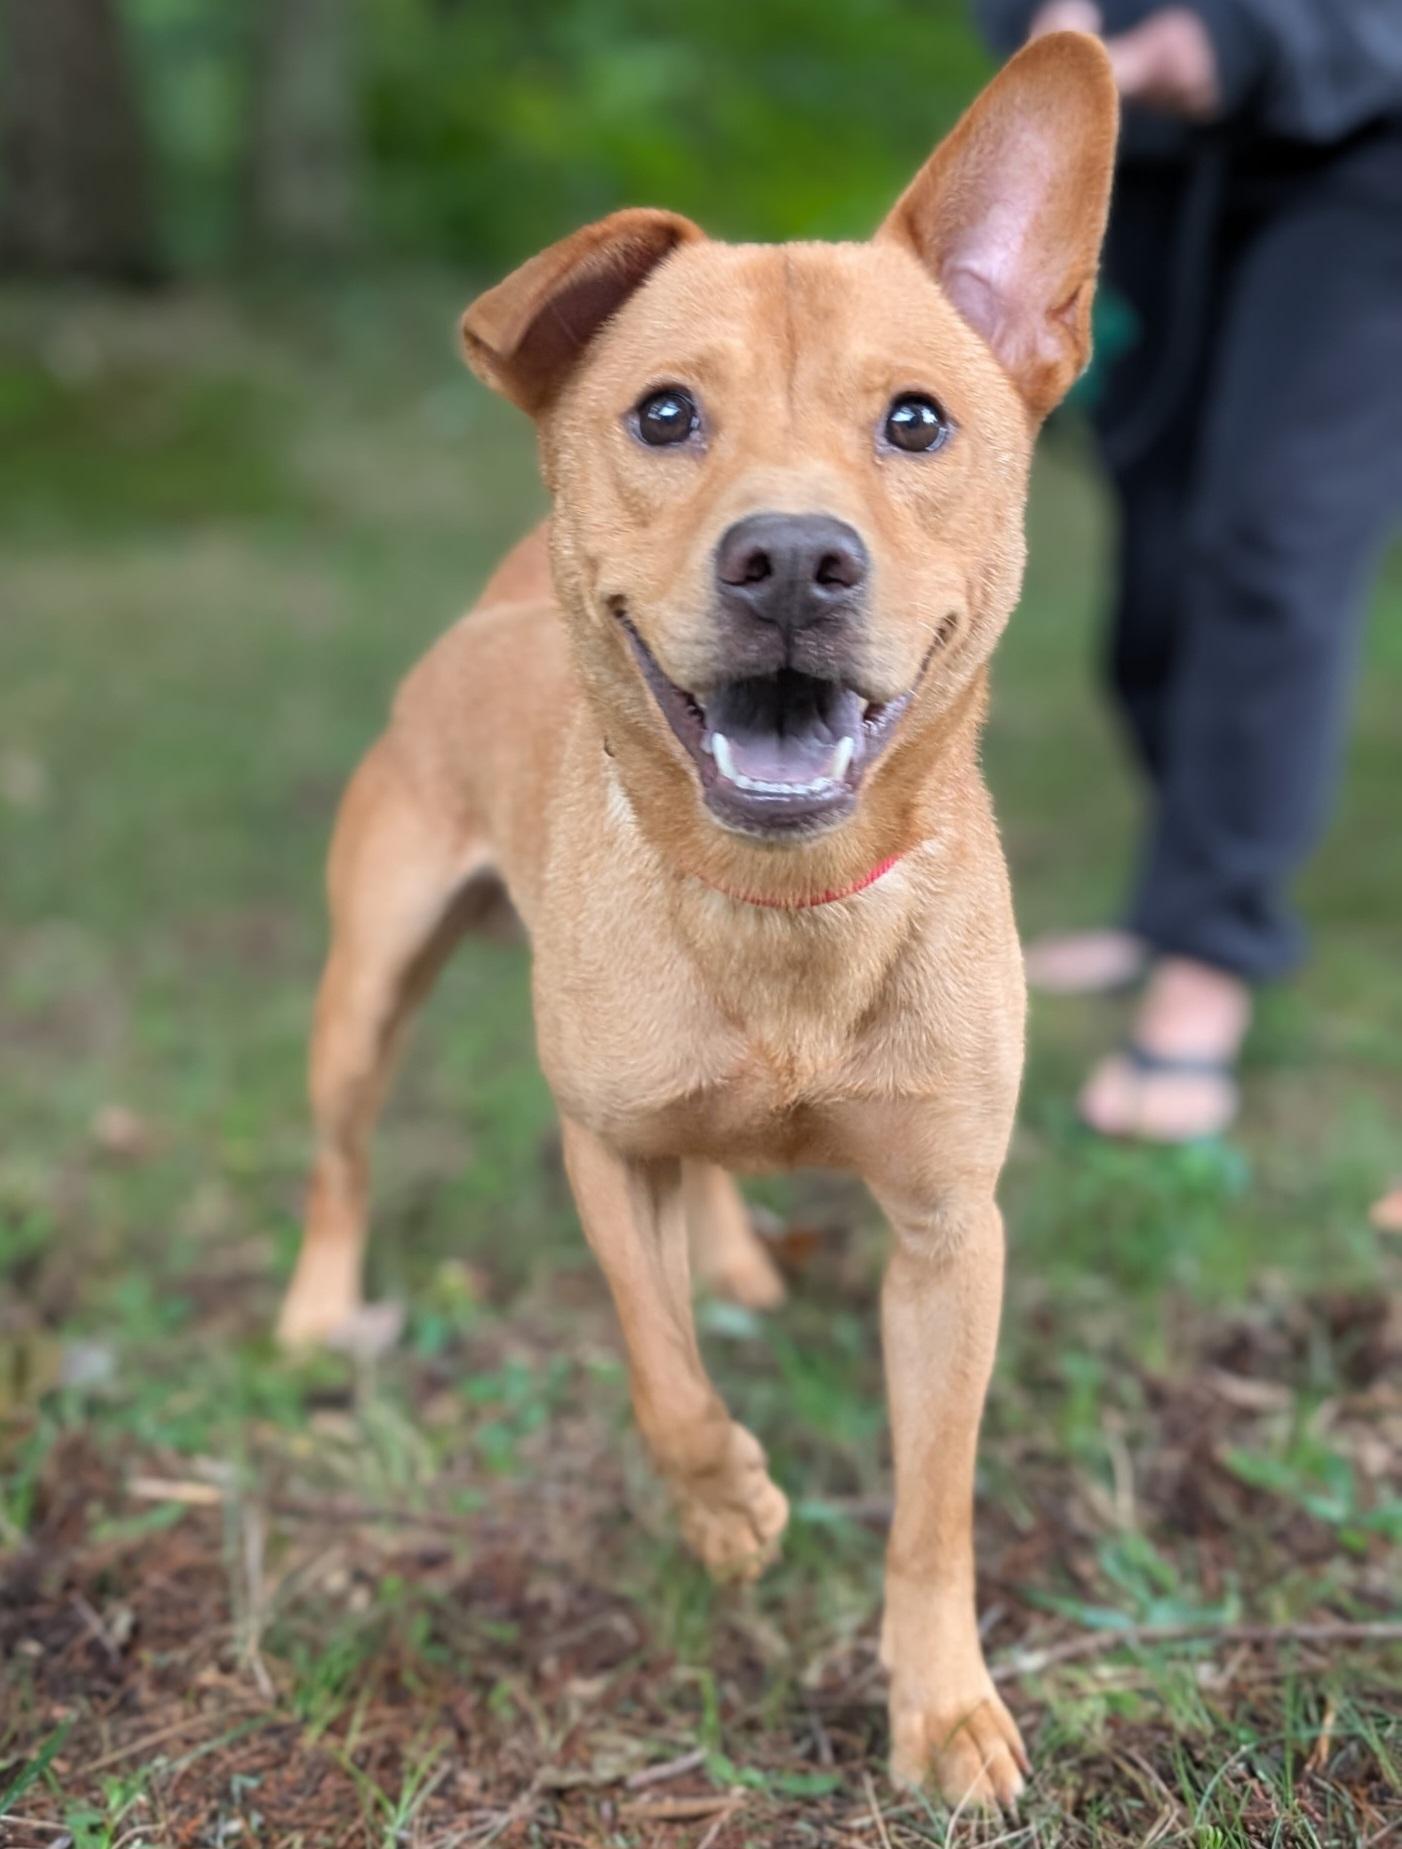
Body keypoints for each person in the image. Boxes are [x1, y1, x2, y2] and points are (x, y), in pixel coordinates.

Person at [971, 1, 1402, 1141]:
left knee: (1271, 539)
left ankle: (1213, 953)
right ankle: (1181, 891)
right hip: (1143, 147)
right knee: (1161, 556)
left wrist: (1257, 42)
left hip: (1369, 145)